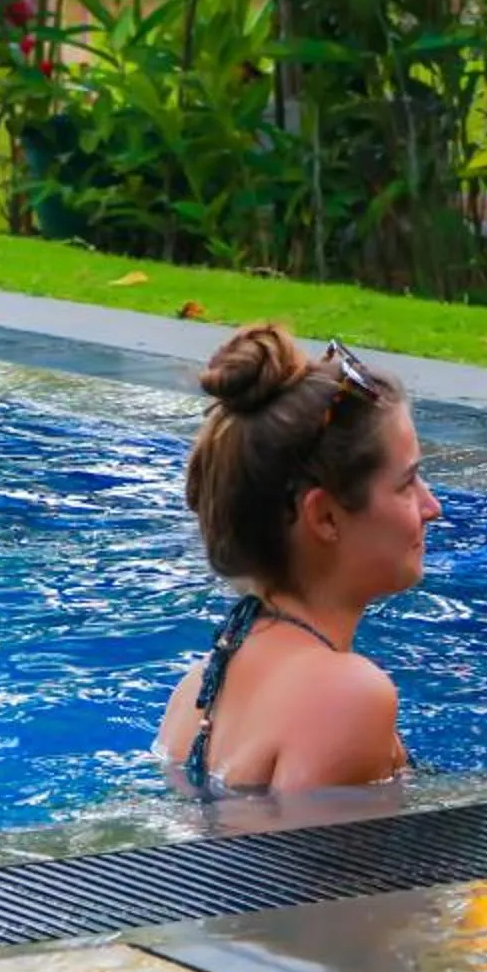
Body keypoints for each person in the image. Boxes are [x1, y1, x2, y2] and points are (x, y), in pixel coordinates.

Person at [156, 326, 439, 796]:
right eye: (406, 483)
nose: (432, 506)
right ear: (325, 516)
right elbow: (327, 871)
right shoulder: (347, 696)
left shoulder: (202, 684)